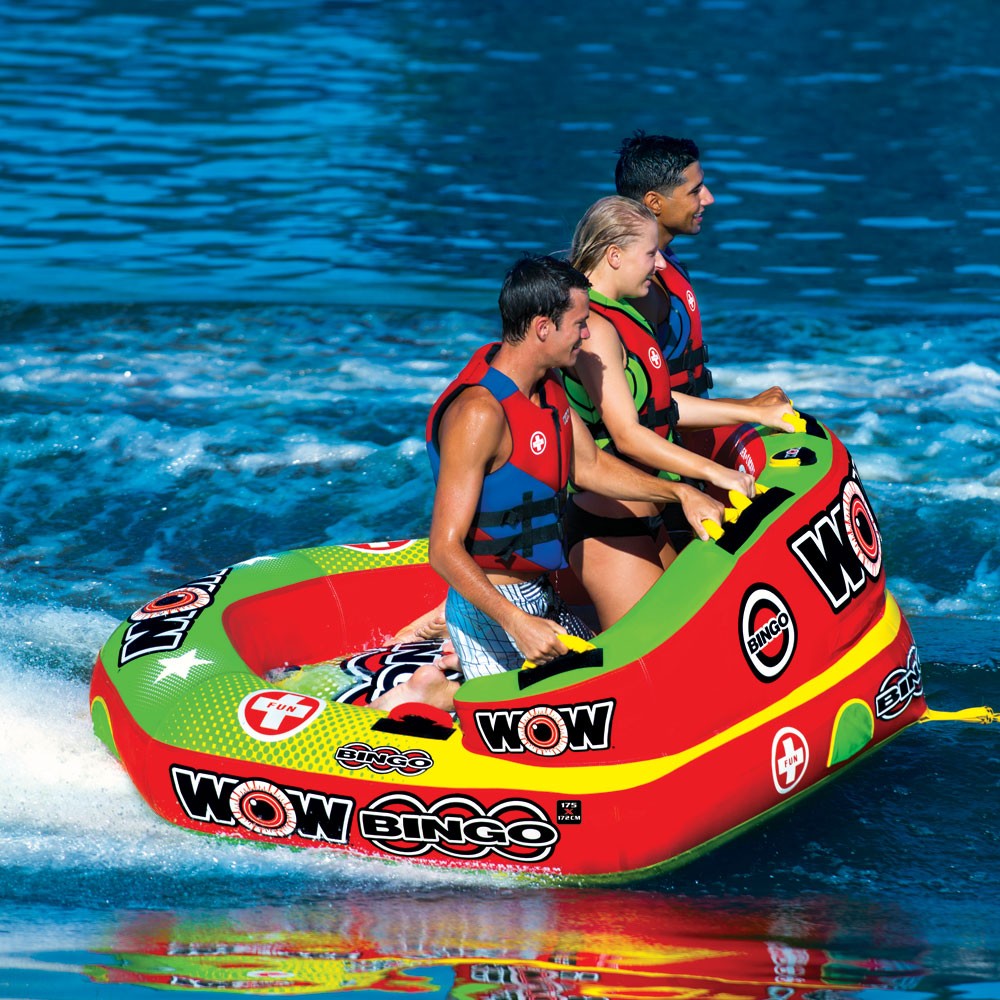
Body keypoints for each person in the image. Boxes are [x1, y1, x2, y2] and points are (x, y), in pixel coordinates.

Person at [375, 255, 724, 712]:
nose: (587, 334)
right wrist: (516, 623)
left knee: (621, 676)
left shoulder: (547, 384)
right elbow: (443, 548)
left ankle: (448, 681)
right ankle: (438, 691)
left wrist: (681, 492)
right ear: (543, 328)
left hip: (538, 593)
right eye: (579, 324)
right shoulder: (479, 414)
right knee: (558, 720)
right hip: (492, 606)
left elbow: (590, 466)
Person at [563, 196, 797, 628]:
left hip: (649, 514)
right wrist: (713, 474)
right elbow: (627, 434)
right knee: (651, 659)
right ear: (614, 256)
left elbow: (658, 407)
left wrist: (749, 411)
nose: (659, 265)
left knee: (703, 630)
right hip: (610, 528)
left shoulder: (623, 312)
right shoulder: (593, 328)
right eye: (650, 254)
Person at [615, 130, 786, 407]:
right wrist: (747, 407)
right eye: (695, 191)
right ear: (654, 202)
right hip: (669, 429)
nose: (709, 198)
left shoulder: (664, 258)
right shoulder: (640, 288)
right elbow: (643, 402)